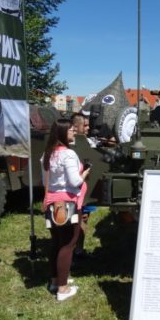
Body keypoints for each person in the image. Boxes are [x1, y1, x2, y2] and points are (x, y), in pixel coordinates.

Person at [42, 119, 90, 301]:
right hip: (68, 203)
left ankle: (55, 280)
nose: (74, 131)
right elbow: (74, 181)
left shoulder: (48, 154)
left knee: (57, 242)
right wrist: (84, 174)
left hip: (52, 201)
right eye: (70, 129)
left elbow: (45, 180)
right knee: (69, 244)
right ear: (63, 133)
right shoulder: (68, 154)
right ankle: (63, 288)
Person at [70, 114, 96, 262]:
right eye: (84, 125)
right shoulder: (71, 145)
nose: (88, 128)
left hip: (86, 189)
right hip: (74, 190)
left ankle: (79, 250)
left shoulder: (89, 142)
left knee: (84, 219)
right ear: (75, 127)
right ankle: (71, 251)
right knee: (74, 221)